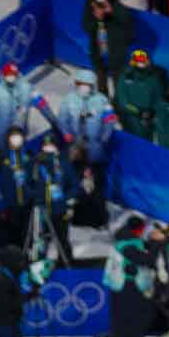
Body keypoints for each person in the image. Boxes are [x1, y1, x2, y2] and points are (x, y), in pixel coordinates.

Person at [60, 71, 118, 226]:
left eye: (87, 85)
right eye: (81, 84)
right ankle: (80, 218)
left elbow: (110, 119)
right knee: (78, 184)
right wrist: (67, 135)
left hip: (96, 150)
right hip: (77, 151)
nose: (84, 87)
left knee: (97, 184)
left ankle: (99, 217)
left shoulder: (101, 100)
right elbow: (63, 120)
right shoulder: (68, 100)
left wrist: (104, 138)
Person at [0, 246, 52, 337]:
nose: (21, 264)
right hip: (5, 323)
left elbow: (29, 273)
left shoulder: (11, 274)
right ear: (11, 261)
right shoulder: (1, 279)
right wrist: (28, 297)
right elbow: (8, 304)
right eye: (19, 261)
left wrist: (40, 272)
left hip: (12, 321)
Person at [25, 135, 73, 262]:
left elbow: (75, 186)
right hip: (41, 210)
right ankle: (38, 267)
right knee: (40, 242)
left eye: (51, 146)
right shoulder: (34, 165)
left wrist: (64, 198)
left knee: (62, 241)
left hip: (59, 210)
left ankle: (67, 268)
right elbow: (26, 185)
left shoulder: (63, 165)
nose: (48, 149)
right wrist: (35, 196)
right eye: (45, 146)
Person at [82, 0, 133, 99]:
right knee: (101, 83)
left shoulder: (116, 3)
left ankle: (119, 109)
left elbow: (127, 20)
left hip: (116, 53)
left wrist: (112, 11)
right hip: (98, 53)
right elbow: (86, 27)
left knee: (118, 85)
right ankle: (103, 107)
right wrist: (97, 18)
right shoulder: (90, 5)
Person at [0, 63, 34, 160]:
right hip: (1, 133)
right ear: (3, 76)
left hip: (19, 131)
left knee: (20, 155)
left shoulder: (24, 89)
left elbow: (28, 107)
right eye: (9, 74)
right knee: (5, 157)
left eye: (13, 74)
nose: (11, 77)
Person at [116, 48, 167, 140]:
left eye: (143, 60)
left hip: (150, 119)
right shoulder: (125, 77)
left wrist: (152, 111)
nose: (141, 63)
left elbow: (159, 98)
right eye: (138, 61)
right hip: (131, 119)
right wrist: (139, 112)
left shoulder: (153, 77)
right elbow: (122, 101)